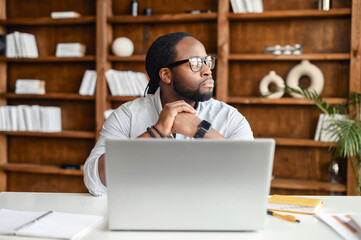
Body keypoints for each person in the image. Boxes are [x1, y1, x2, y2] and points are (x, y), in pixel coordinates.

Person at [84, 32, 254, 196]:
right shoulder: (127, 116)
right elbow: (94, 182)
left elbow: (252, 179)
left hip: (209, 216)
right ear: (166, 75)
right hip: (143, 216)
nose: (207, 71)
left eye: (207, 61)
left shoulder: (230, 117)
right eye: (195, 63)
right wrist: (156, 132)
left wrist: (201, 130)